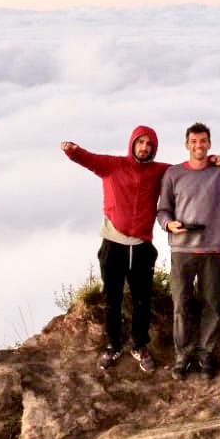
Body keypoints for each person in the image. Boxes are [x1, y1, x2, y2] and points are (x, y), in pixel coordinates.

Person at [61, 128, 171, 372]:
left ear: (154, 148)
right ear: (132, 143)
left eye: (149, 144)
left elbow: (184, 172)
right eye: (140, 142)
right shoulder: (113, 165)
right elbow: (89, 160)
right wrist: (73, 150)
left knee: (142, 300)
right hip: (113, 245)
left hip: (141, 247)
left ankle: (140, 345)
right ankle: (112, 345)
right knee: (112, 299)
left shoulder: (158, 171)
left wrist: (211, 162)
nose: (144, 147)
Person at [156, 123, 220, 380]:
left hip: (212, 250)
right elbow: (162, 210)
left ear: (209, 143)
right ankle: (183, 356)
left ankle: (206, 355)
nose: (198, 145)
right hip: (181, 250)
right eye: (193, 141)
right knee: (181, 305)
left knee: (211, 305)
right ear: (187, 144)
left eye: (203, 141)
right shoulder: (173, 174)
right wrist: (169, 224)